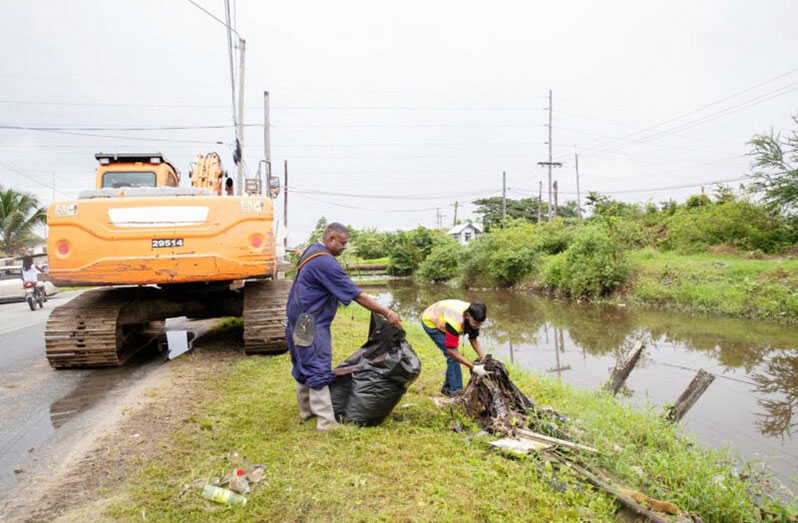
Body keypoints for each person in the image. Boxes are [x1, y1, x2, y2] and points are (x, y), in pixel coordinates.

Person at [286, 222, 403, 431]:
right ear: (331, 239)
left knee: (302, 360)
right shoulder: (325, 262)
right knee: (317, 363)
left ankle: (306, 411)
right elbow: (357, 294)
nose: (344, 248)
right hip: (311, 321)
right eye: (342, 243)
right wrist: (387, 312)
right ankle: (325, 422)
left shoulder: (312, 251)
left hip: (300, 318)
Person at [421, 300, 488, 396]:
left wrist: (484, 359)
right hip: (431, 322)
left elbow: (473, 339)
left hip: (444, 317)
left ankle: (447, 389)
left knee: (454, 357)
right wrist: (474, 367)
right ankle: (457, 393)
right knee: (453, 358)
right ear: (468, 316)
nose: (477, 326)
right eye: (475, 323)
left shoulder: (475, 314)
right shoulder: (456, 322)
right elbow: (451, 351)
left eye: (479, 324)